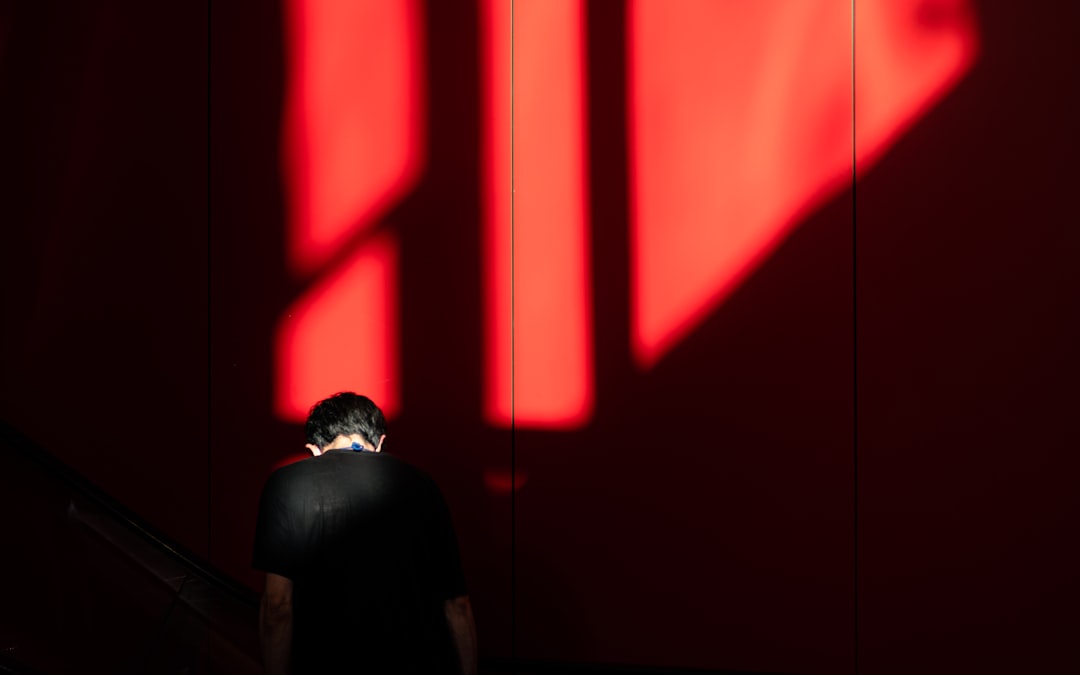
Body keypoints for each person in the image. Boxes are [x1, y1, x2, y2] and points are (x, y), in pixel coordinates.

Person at [253, 392, 477, 674]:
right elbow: (457, 603)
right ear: (380, 442)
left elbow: (277, 605)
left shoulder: (285, 484)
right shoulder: (422, 485)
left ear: (314, 448)